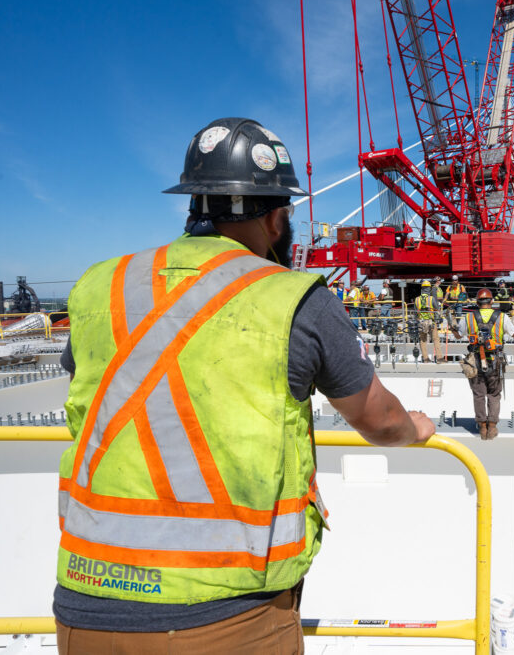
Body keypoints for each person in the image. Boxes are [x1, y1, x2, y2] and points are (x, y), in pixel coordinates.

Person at [53, 117, 436, 654]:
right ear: (277, 217)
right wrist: (416, 429)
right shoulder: (294, 298)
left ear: (193, 204)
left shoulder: (100, 284)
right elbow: (379, 420)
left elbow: (94, 391)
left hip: (83, 606)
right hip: (227, 618)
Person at [454, 288, 514, 439]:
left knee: (478, 394)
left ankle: (482, 427)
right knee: (494, 393)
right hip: (495, 360)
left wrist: (452, 326)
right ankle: (492, 427)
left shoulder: (468, 317)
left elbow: (458, 335)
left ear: (477, 302)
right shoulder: (502, 317)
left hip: (474, 360)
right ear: (492, 301)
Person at [414, 279, 442, 363]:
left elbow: (415, 313)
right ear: (429, 289)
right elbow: (437, 308)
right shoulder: (431, 298)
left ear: (422, 289)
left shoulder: (417, 299)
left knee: (423, 340)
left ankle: (425, 358)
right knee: (435, 339)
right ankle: (439, 358)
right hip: (431, 322)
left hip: (421, 322)